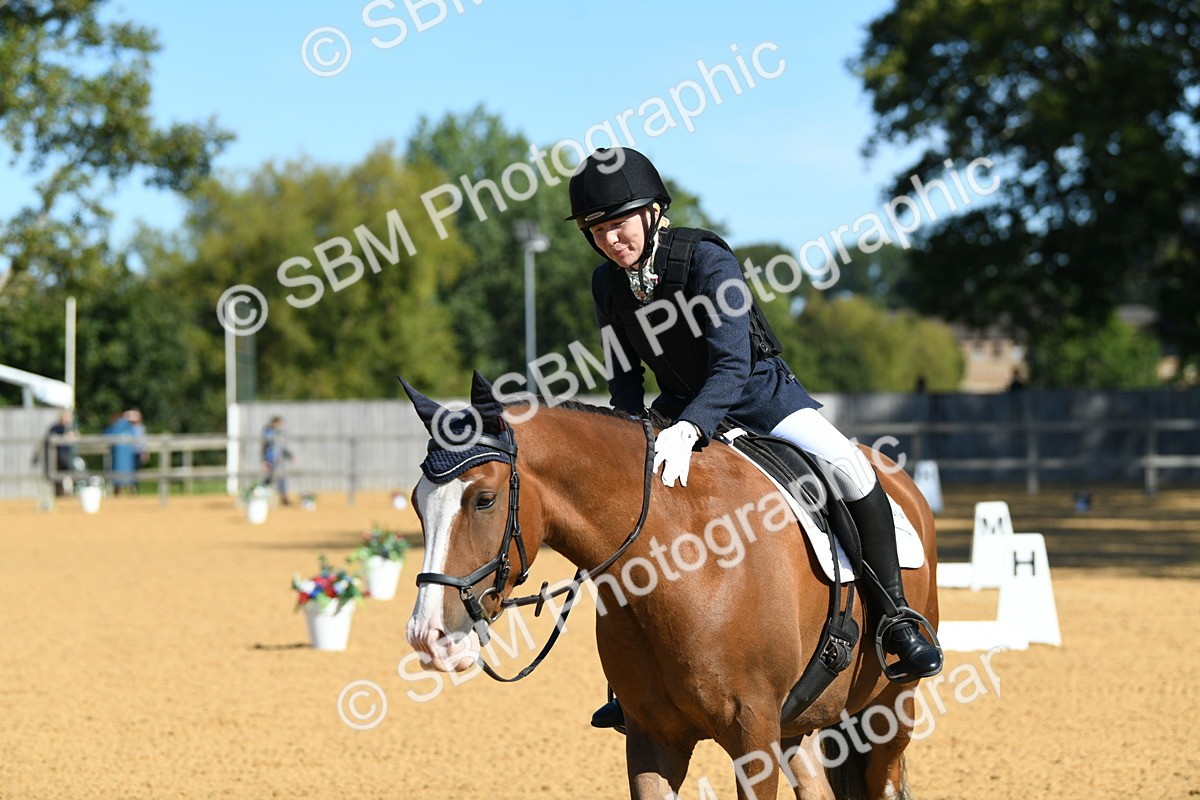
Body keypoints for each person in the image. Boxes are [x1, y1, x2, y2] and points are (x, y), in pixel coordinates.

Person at [566, 147, 944, 730]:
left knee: (852, 468)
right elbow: (623, 380)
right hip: (673, 411)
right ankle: (631, 677)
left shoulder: (707, 259)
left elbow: (731, 365)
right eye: (598, 230)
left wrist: (693, 424)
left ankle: (895, 616)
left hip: (759, 398)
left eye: (619, 223)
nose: (611, 239)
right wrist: (628, 437)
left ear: (652, 214)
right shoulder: (607, 284)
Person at [104, 409, 146, 495]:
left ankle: (133, 490)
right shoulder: (125, 428)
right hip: (127, 454)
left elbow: (142, 442)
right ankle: (119, 491)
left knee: (133, 473)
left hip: (134, 454)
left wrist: (144, 452)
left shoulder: (139, 428)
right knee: (120, 473)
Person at [42, 409, 79, 496]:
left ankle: (72, 492)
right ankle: (60, 494)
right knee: (59, 476)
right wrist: (65, 436)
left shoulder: (70, 428)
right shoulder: (56, 427)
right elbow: (52, 438)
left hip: (68, 455)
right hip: (57, 456)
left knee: (70, 473)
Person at [261, 415, 294, 506]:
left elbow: (281, 448)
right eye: (278, 423)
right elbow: (265, 447)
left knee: (281, 479)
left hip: (279, 461)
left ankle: (284, 498)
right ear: (274, 423)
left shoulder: (279, 433)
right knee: (268, 479)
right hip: (270, 460)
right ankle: (262, 497)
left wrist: (289, 455)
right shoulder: (268, 432)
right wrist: (264, 460)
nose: (280, 425)